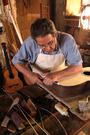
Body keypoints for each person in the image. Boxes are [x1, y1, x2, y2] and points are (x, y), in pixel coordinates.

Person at [12, 18, 83, 86]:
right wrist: (30, 75)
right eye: (42, 45)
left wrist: (56, 75)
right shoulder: (30, 43)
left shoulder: (67, 40)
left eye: (50, 43)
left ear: (55, 34)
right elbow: (16, 61)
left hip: (60, 78)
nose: (48, 48)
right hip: (38, 81)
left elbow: (78, 67)